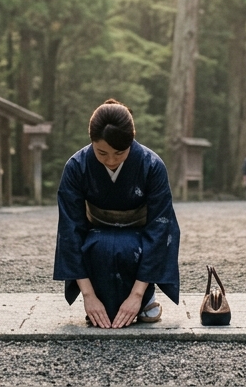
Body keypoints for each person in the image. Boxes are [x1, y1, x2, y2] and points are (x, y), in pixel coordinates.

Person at [54, 99, 180, 329]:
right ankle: (100, 302)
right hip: (94, 235)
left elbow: (160, 227)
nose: (111, 161)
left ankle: (145, 298)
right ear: (91, 140)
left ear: (132, 138)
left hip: (139, 235)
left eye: (119, 153)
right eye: (102, 152)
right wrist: (88, 296)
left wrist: (136, 295)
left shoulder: (152, 165)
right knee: (99, 245)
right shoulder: (76, 166)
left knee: (132, 246)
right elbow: (69, 229)